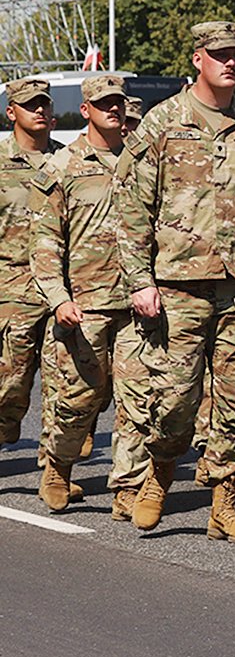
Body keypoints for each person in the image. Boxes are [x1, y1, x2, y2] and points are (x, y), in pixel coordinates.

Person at [114, 22, 235, 542]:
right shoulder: (162, 122)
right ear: (198, 59)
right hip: (176, 286)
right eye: (219, 55)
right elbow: (131, 208)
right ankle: (159, 475)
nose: (230, 63)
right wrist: (139, 280)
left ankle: (225, 504)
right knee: (174, 401)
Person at [29, 75, 131, 512]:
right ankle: (58, 468)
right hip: (83, 305)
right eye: (104, 103)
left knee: (138, 400)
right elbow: (45, 243)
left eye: (119, 103)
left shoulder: (141, 161)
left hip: (138, 302)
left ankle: (128, 486)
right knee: (78, 398)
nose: (114, 109)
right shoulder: (61, 167)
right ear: (85, 109)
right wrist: (58, 298)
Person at [1, 79, 56, 456]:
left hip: (61, 290)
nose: (40, 110)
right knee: (11, 384)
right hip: (11, 287)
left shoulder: (67, 160)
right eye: (29, 104)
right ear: (11, 112)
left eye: (45, 104)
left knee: (64, 384)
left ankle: (56, 468)